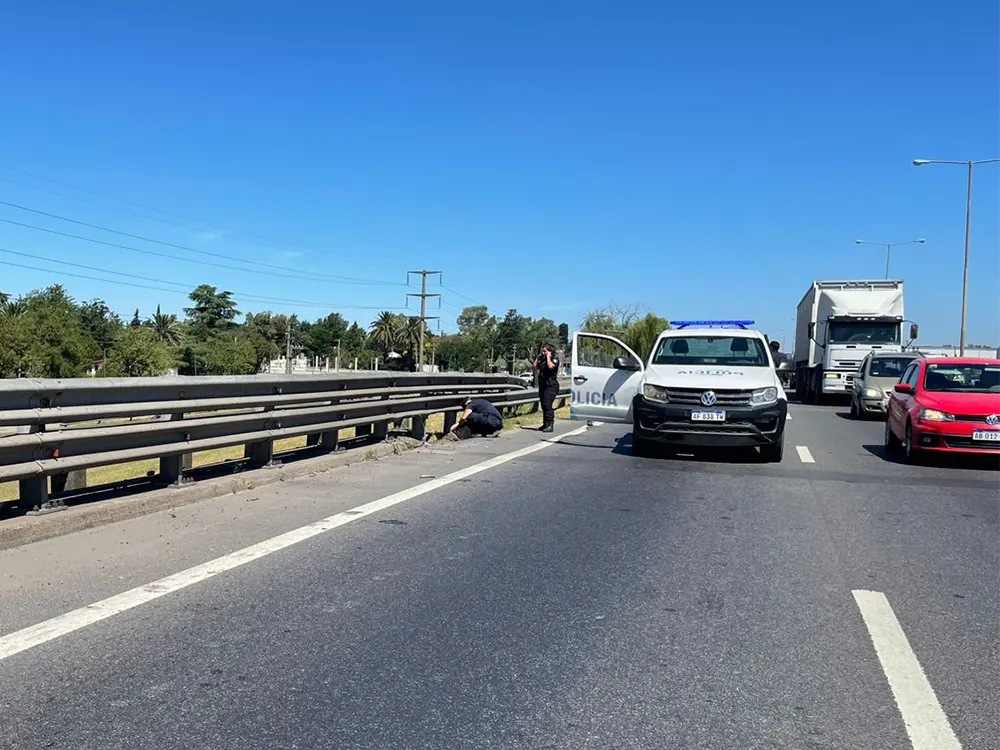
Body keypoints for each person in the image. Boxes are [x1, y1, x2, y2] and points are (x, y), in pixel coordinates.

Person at [533, 343, 561, 433]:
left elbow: (551, 366)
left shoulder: (554, 359)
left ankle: (550, 424)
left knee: (547, 404)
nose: (543, 352)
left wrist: (548, 357)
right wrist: (537, 358)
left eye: (545, 351)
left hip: (551, 385)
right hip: (543, 385)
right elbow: (534, 367)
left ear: (550, 351)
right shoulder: (542, 359)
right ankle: (545, 424)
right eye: (542, 351)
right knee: (543, 405)